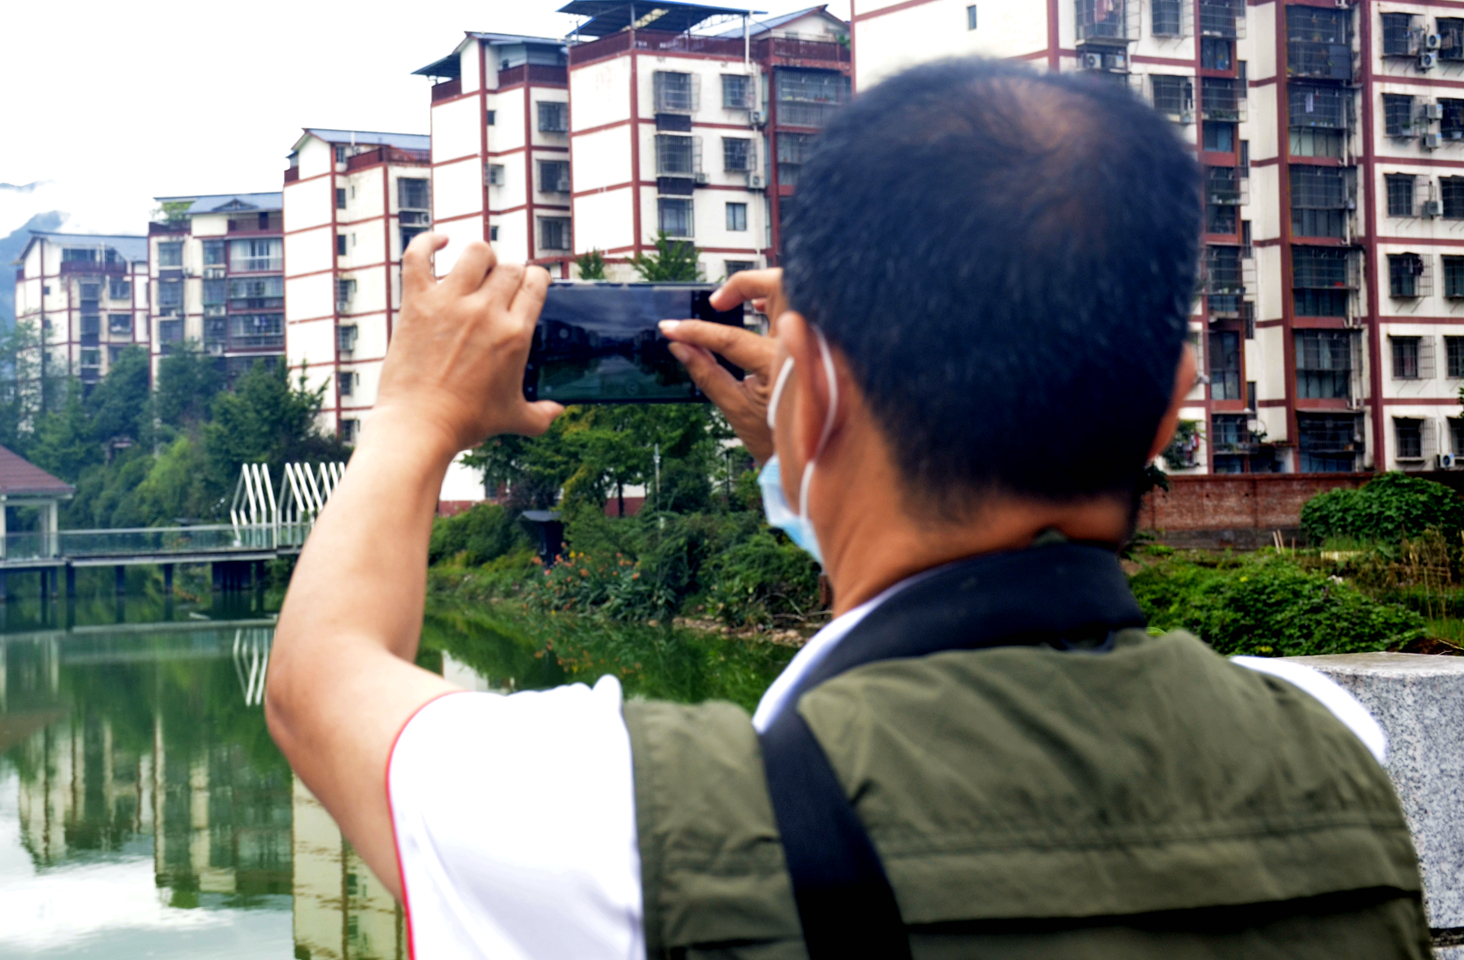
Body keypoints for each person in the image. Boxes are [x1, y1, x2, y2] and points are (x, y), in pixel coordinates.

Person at [266, 58, 1426, 958]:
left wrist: (417, 410)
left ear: (813, 393)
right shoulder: (1332, 749)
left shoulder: (638, 827)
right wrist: (826, 454)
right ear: (1170, 406)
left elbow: (320, 683)